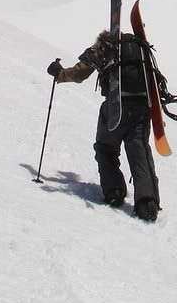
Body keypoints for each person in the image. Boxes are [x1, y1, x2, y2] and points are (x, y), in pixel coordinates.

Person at [47, 30, 161, 222]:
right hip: (142, 108)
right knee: (139, 151)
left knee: (105, 148)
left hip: (115, 107)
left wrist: (59, 73)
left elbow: (79, 73)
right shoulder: (141, 48)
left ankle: (114, 190)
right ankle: (147, 203)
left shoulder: (105, 45)